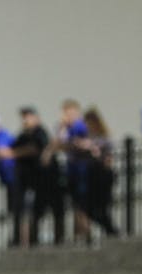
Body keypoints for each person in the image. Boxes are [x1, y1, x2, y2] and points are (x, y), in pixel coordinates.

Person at [9, 106, 65, 247]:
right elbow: (12, 148)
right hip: (33, 182)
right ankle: (30, 241)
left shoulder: (41, 133)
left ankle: (59, 241)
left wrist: (17, 153)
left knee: (54, 210)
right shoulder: (23, 136)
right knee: (33, 212)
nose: (25, 120)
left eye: (28, 116)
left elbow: (34, 149)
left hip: (48, 180)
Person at [48, 99, 92, 244]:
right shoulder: (65, 128)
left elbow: (80, 143)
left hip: (82, 170)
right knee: (75, 203)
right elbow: (58, 143)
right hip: (71, 169)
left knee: (82, 204)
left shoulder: (81, 127)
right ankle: (78, 234)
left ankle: (84, 234)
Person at [82, 107, 120, 238]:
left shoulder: (103, 139)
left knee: (102, 208)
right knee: (89, 209)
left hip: (102, 176)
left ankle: (112, 232)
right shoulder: (87, 138)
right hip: (91, 176)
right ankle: (111, 232)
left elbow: (108, 159)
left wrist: (95, 152)